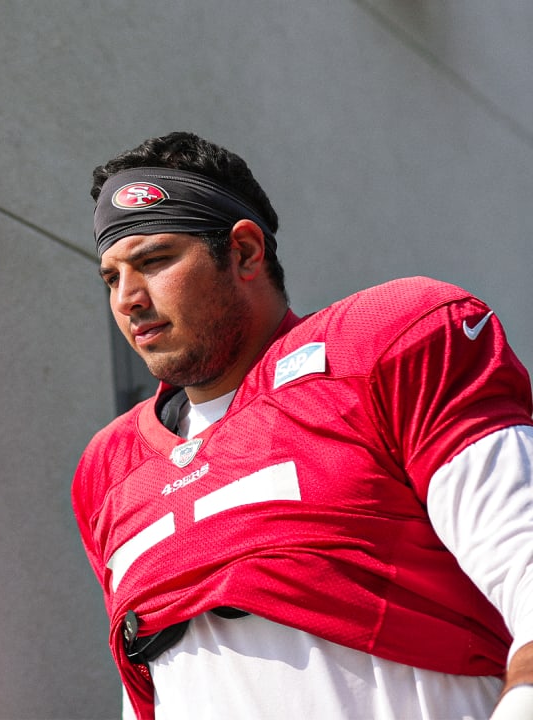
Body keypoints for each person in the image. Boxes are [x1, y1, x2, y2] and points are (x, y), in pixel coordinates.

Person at [72, 131, 533, 720]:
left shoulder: (383, 340)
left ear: (243, 252)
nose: (129, 298)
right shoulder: (108, 467)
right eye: (111, 278)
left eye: (155, 261)